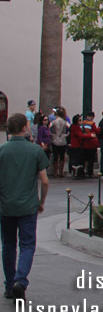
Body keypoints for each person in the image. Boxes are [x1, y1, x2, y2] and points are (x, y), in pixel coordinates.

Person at [0, 113, 50, 300]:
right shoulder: (35, 151)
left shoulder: (2, 151)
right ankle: (20, 280)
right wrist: (41, 201)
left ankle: (8, 284)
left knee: (8, 245)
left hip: (6, 205)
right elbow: (44, 181)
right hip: (28, 205)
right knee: (27, 244)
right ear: (23, 128)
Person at [49, 108, 68, 178]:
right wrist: (66, 134)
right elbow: (69, 127)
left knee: (56, 156)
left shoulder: (54, 122)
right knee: (62, 157)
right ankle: (61, 172)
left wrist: (52, 134)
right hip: (63, 139)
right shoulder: (64, 122)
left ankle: (55, 172)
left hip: (55, 139)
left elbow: (48, 128)